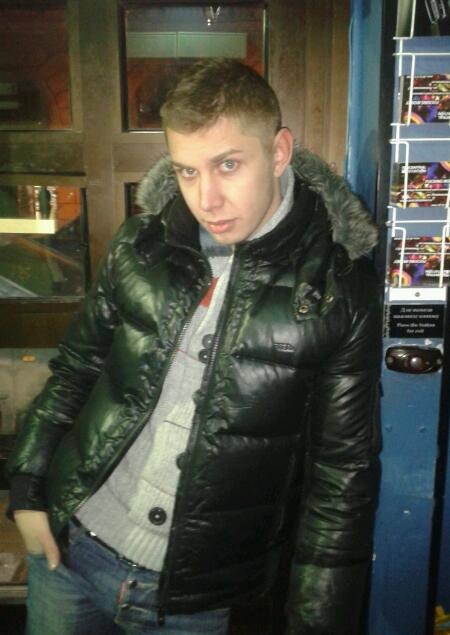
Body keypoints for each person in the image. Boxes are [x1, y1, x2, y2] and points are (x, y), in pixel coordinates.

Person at [6, 58, 381, 635]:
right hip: (70, 553)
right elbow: (76, 370)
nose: (206, 198)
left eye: (228, 165)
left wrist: (317, 621)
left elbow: (342, 477)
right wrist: (28, 489)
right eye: (186, 171)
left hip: (197, 602)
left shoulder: (337, 291)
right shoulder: (142, 245)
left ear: (279, 152)